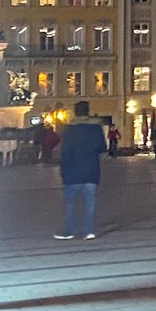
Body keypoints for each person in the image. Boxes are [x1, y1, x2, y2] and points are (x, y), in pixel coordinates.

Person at [54, 103, 107, 241]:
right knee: (90, 202)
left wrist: (63, 171)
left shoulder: (70, 130)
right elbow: (102, 148)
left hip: (72, 171)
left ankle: (69, 231)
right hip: (91, 170)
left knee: (70, 204)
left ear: (75, 112)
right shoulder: (96, 128)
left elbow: (65, 152)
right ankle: (88, 231)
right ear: (88, 111)